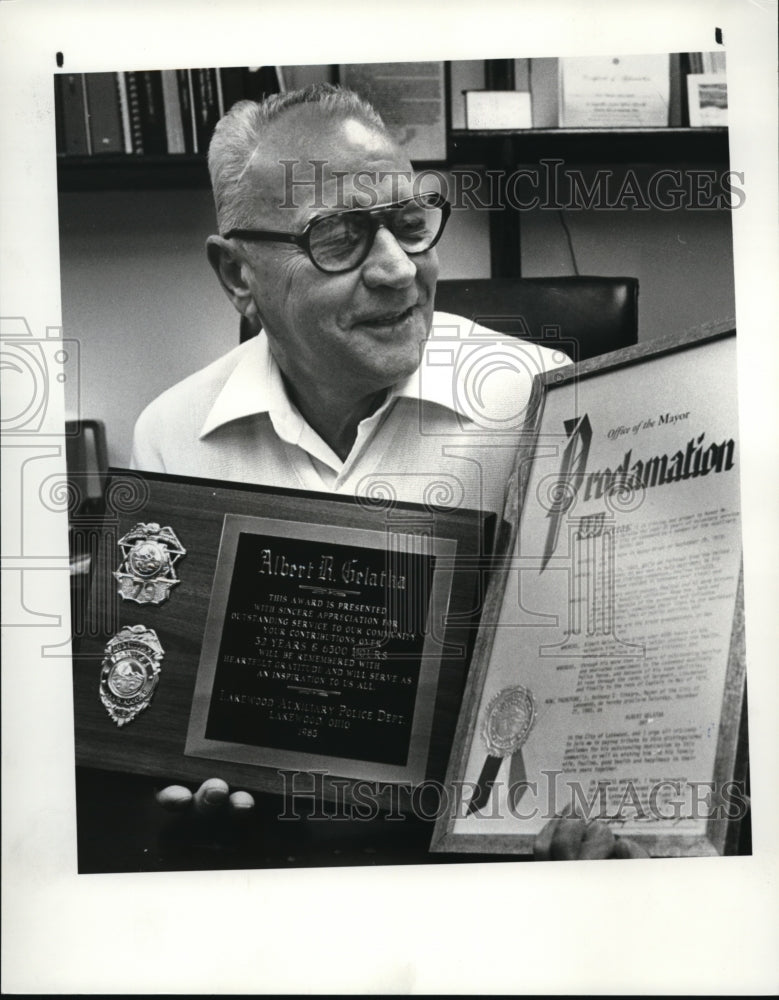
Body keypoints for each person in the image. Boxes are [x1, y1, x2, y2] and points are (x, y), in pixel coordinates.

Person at [128, 83, 647, 861]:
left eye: (410, 224)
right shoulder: (171, 431)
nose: (398, 271)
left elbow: (611, 667)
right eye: (337, 238)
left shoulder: (547, 402)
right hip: (275, 855)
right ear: (238, 274)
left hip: (489, 848)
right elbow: (168, 695)